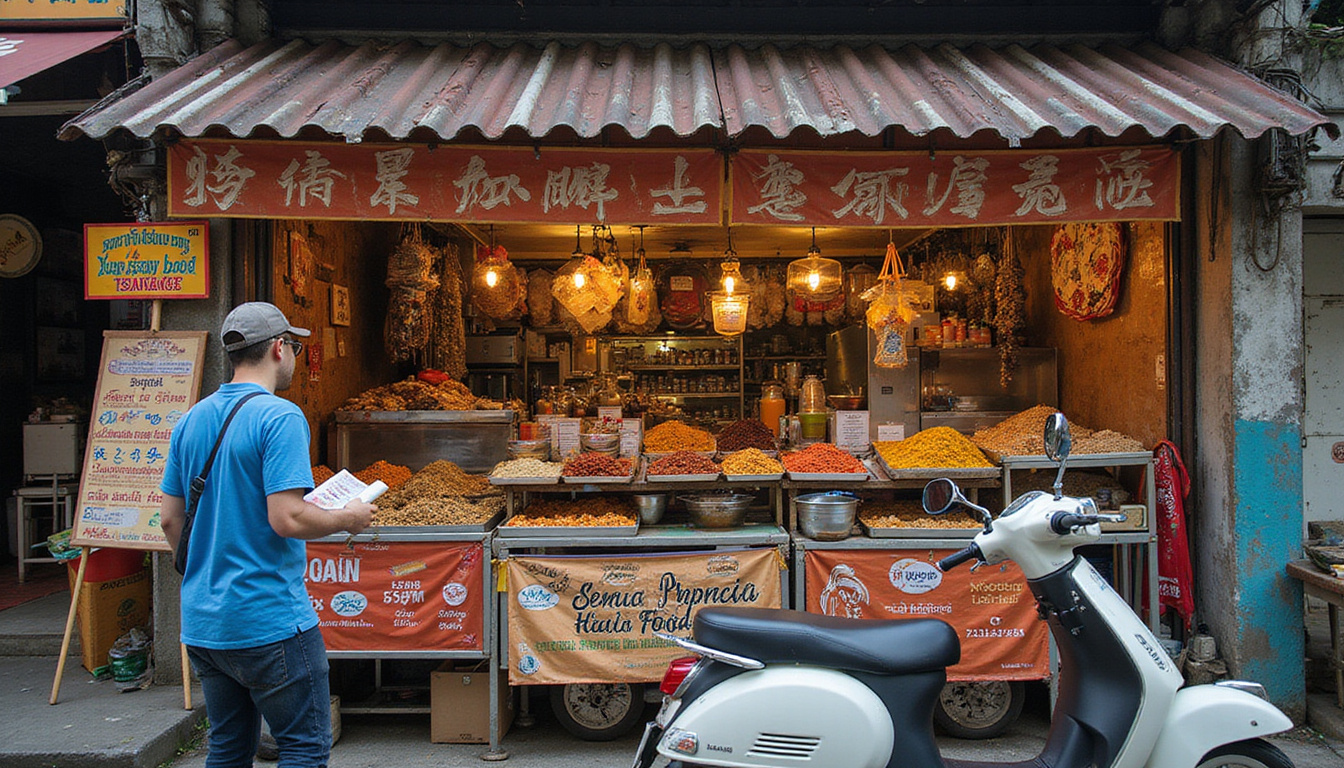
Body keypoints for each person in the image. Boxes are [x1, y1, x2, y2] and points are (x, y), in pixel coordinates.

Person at [159, 301, 375, 767]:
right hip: (268, 619)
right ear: (279, 348)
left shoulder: (190, 421)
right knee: (303, 745)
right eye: (294, 346)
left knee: (228, 746)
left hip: (204, 621)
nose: (294, 355)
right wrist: (349, 518)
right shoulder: (279, 417)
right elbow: (288, 518)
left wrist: (203, 570)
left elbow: (169, 520)